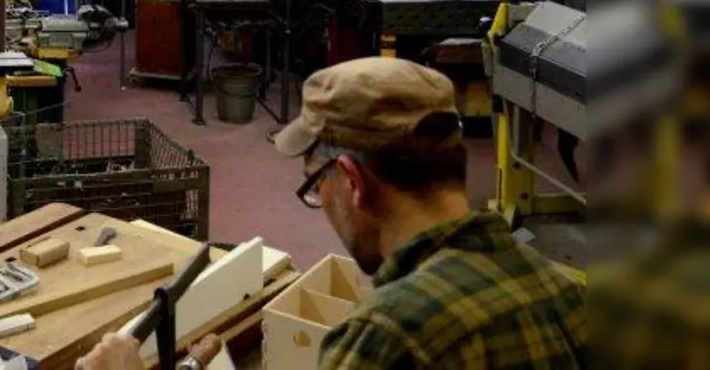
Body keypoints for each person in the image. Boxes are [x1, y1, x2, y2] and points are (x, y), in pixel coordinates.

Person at [78, 56, 586, 370]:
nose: (322, 205)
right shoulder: (574, 295)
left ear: (354, 182)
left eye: (318, 186)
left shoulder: (386, 339)